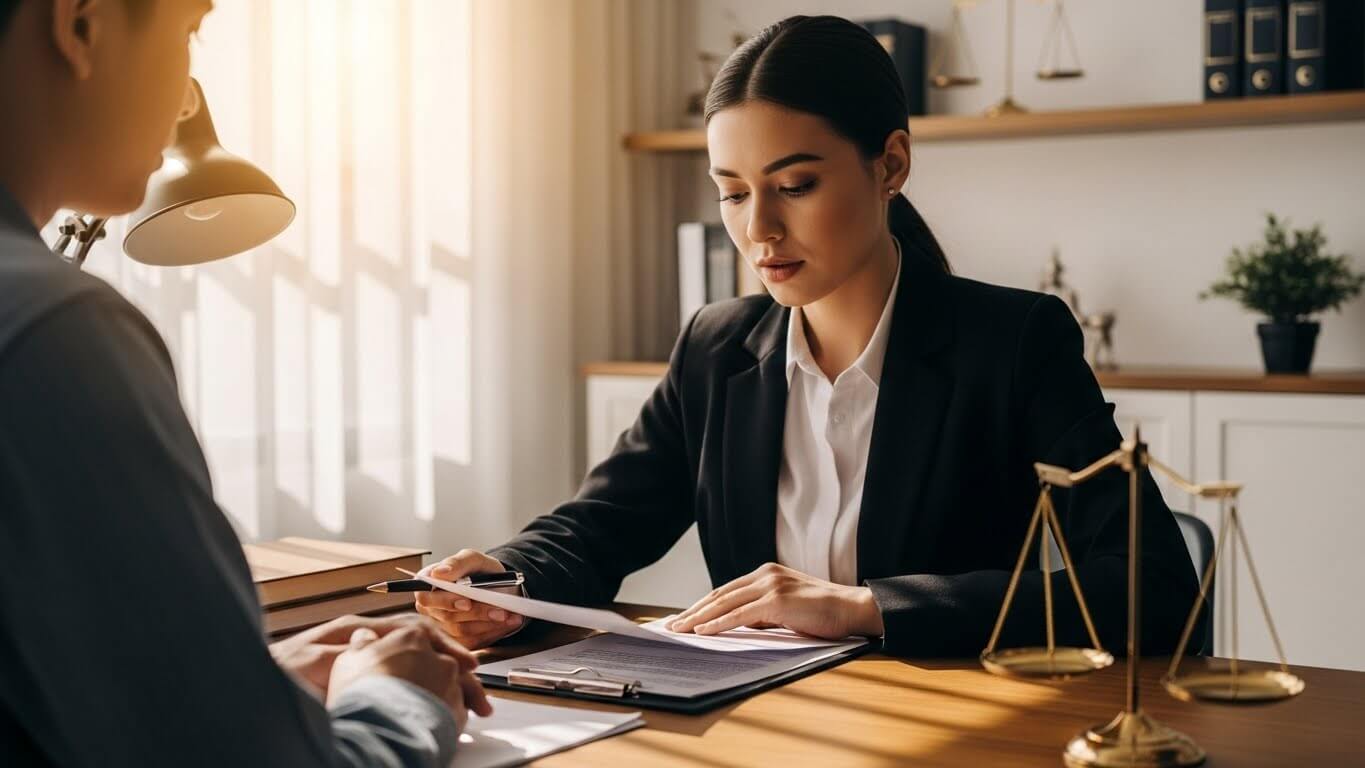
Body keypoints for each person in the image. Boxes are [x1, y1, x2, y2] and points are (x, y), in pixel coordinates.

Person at [416, 15, 1203, 659]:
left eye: (794, 186)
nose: (757, 230)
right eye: (732, 193)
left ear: (889, 163)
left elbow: (1151, 585)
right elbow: (601, 523)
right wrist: (506, 578)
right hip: (754, 721)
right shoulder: (715, 347)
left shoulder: (1012, 343)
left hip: (944, 725)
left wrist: (864, 608)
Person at [0, 1, 489, 765]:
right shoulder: (52, 329)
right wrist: (398, 700)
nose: (189, 95)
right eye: (188, 33)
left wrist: (248, 689)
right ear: (81, 25)